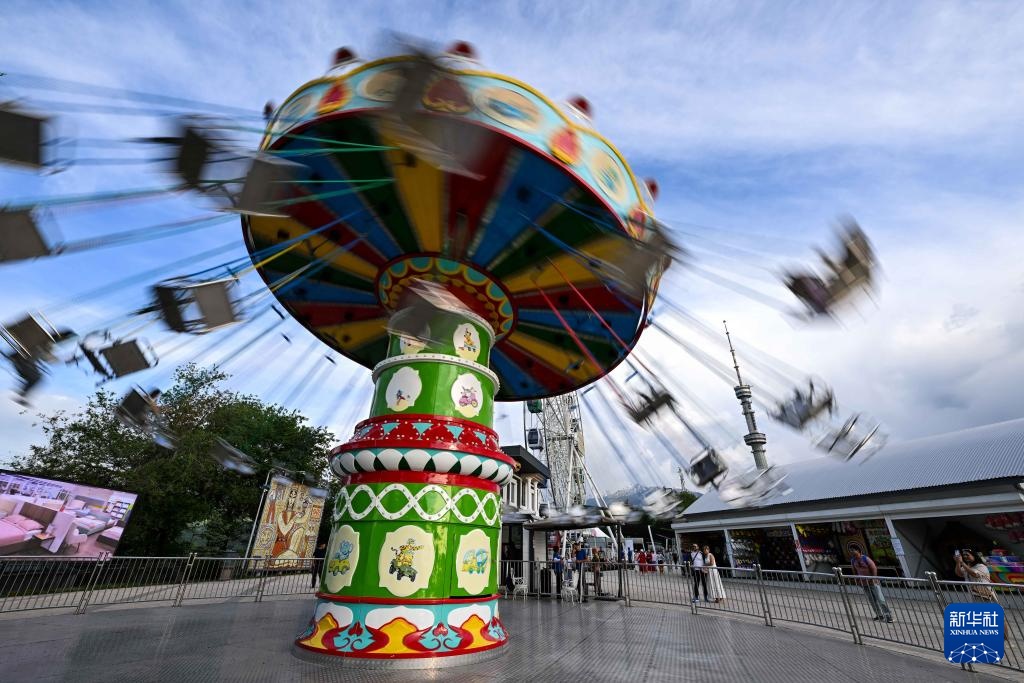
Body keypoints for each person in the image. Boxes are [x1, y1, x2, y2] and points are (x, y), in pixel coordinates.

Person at [850, 545, 893, 623]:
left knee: (880, 599)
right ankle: (879, 615)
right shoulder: (853, 560)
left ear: (858, 551)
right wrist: (857, 580)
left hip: (873, 583)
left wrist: (873, 578)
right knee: (872, 600)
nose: (852, 552)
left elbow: (874, 568)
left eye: (853, 550)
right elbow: (854, 571)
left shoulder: (865, 558)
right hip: (864, 583)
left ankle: (888, 615)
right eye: (851, 550)